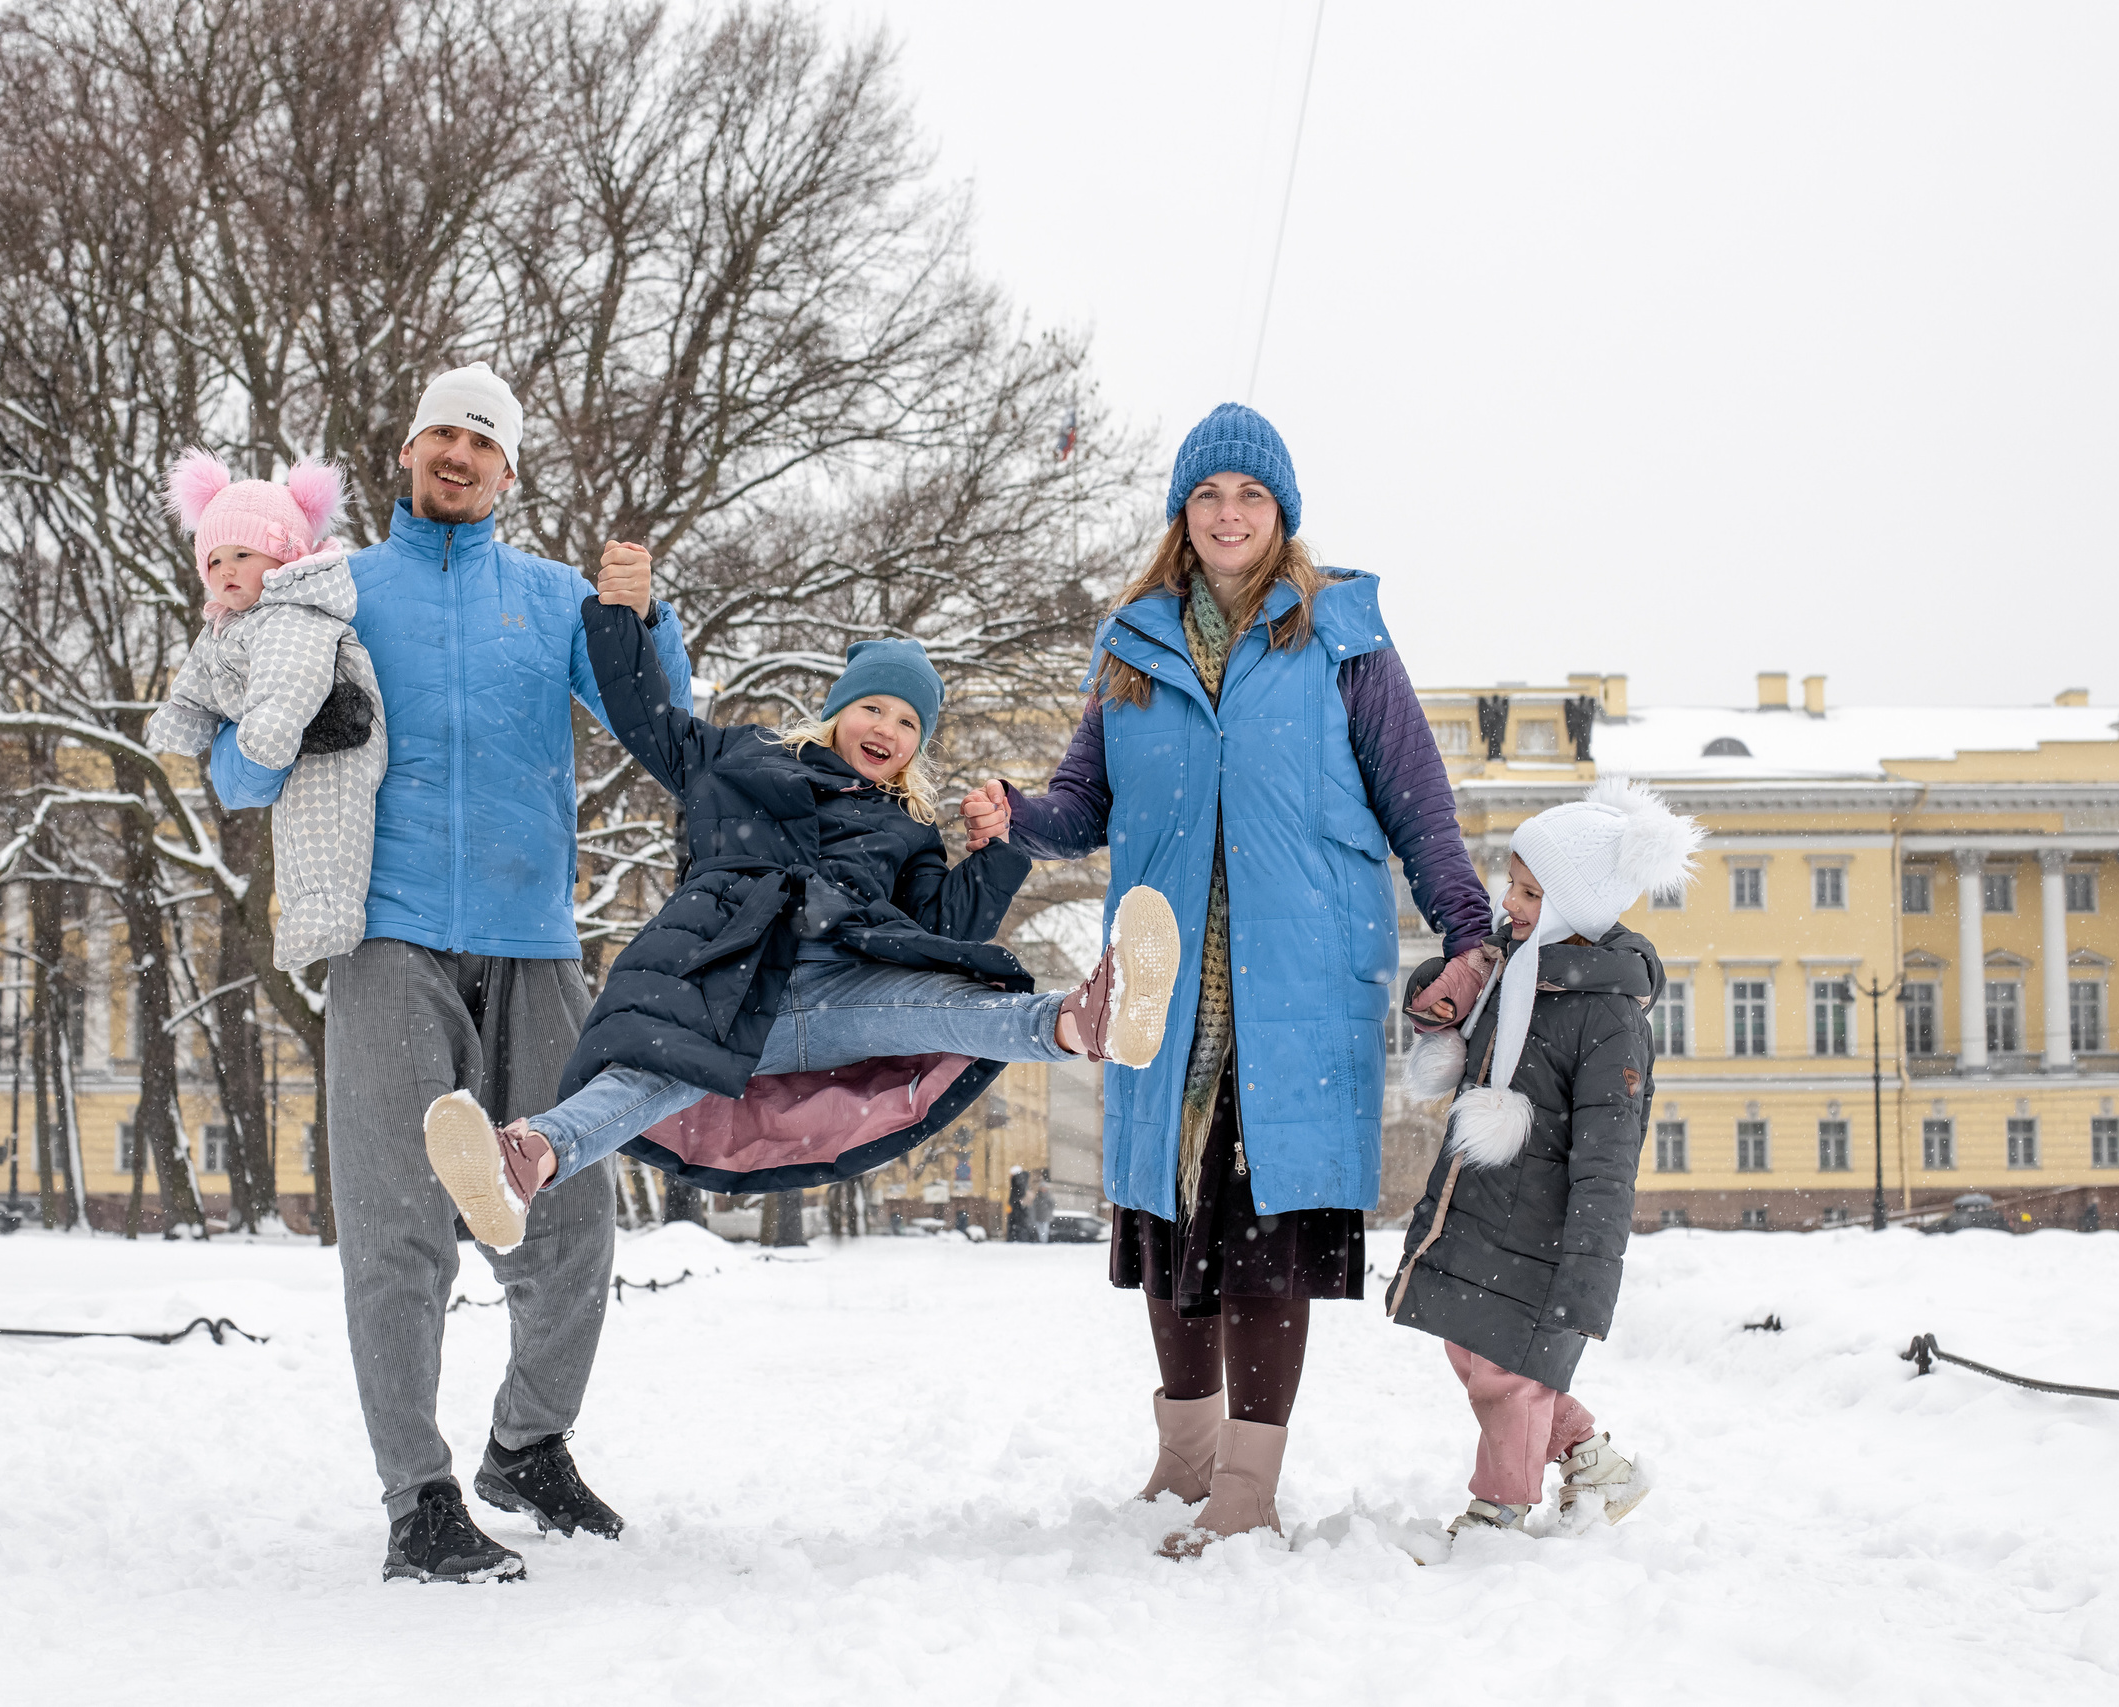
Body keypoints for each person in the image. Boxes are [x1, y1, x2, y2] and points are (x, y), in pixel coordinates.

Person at [210, 363, 694, 1585]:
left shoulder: (555, 598)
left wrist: (647, 620)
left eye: (481, 440)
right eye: (440, 433)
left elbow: (665, 728)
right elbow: (233, 774)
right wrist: (279, 736)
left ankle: (527, 1447)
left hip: (535, 941)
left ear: (509, 472)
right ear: (408, 453)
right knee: (398, 1228)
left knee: (575, 1217)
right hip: (387, 936)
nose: (457, 454)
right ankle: (418, 1499)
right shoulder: (332, 588)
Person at [987, 403, 1494, 1557]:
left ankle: (1249, 1488)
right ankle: (1183, 1464)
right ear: (1182, 514)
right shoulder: (1130, 645)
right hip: (1167, 993)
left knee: (1264, 1239)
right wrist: (1014, 816)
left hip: (1298, 981)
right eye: (1208, 496)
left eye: (1249, 497)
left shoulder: (1341, 639)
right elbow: (1081, 807)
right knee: (1173, 1230)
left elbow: (1416, 798)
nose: (1227, 514)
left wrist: (1466, 928)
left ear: (1282, 516)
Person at [418, 597, 1186, 1243]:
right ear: (837, 710)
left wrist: (998, 849)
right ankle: (523, 1162)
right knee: (647, 1078)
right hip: (727, 986)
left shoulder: (907, 831)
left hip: (841, 995)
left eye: (909, 722)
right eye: (873, 706)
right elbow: (647, 717)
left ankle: (1088, 1020)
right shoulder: (740, 761)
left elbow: (948, 929)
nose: (887, 727)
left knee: (951, 1007)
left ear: (918, 744)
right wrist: (626, 613)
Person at [1385, 778, 1700, 1552]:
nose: (1512, 902)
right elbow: (1458, 1031)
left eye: (1531, 890)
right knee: (1474, 1344)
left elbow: (1608, 1156)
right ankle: (1596, 1463)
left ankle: (1497, 1512)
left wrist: (1591, 1266)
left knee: (1506, 1372)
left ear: (1575, 903)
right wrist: (1444, 985)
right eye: (1514, 884)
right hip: (1483, 1204)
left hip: (1543, 1229)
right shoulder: (1518, 969)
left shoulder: (1607, 1015)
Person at [146, 452, 384, 970]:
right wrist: (183, 718)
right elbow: (198, 681)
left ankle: (329, 912)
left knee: (327, 819)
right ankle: (307, 910)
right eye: (213, 561)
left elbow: (289, 673)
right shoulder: (229, 625)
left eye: (243, 554)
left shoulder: (289, 614)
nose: (225, 569)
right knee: (295, 830)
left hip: (335, 735)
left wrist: (274, 720)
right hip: (278, 739)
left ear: (286, 557)